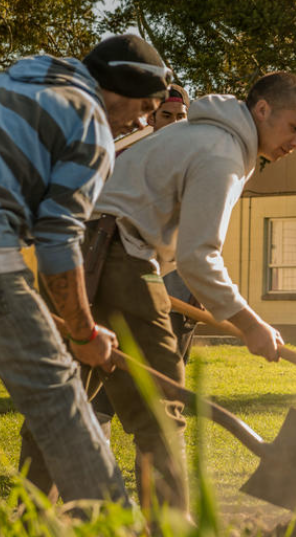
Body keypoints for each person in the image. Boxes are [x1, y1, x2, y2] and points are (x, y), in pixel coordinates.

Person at [20, 71, 296, 513]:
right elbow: (200, 257)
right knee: (160, 405)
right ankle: (172, 534)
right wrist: (248, 322)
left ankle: (27, 521)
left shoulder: (197, 133)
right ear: (262, 110)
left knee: (60, 397)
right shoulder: (223, 154)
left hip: (77, 252)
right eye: (295, 127)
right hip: (115, 254)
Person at [2, 33, 171, 504]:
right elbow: (58, 242)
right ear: (117, 89)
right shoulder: (90, 125)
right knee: (61, 405)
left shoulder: (24, 80)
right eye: (142, 108)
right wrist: (84, 334)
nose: (139, 122)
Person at [91, 84, 195, 443]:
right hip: (122, 273)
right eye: (167, 116)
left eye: (181, 117)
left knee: (166, 371)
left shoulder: (189, 158)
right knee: (110, 372)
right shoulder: (126, 153)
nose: (175, 124)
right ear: (151, 118)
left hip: (174, 275)